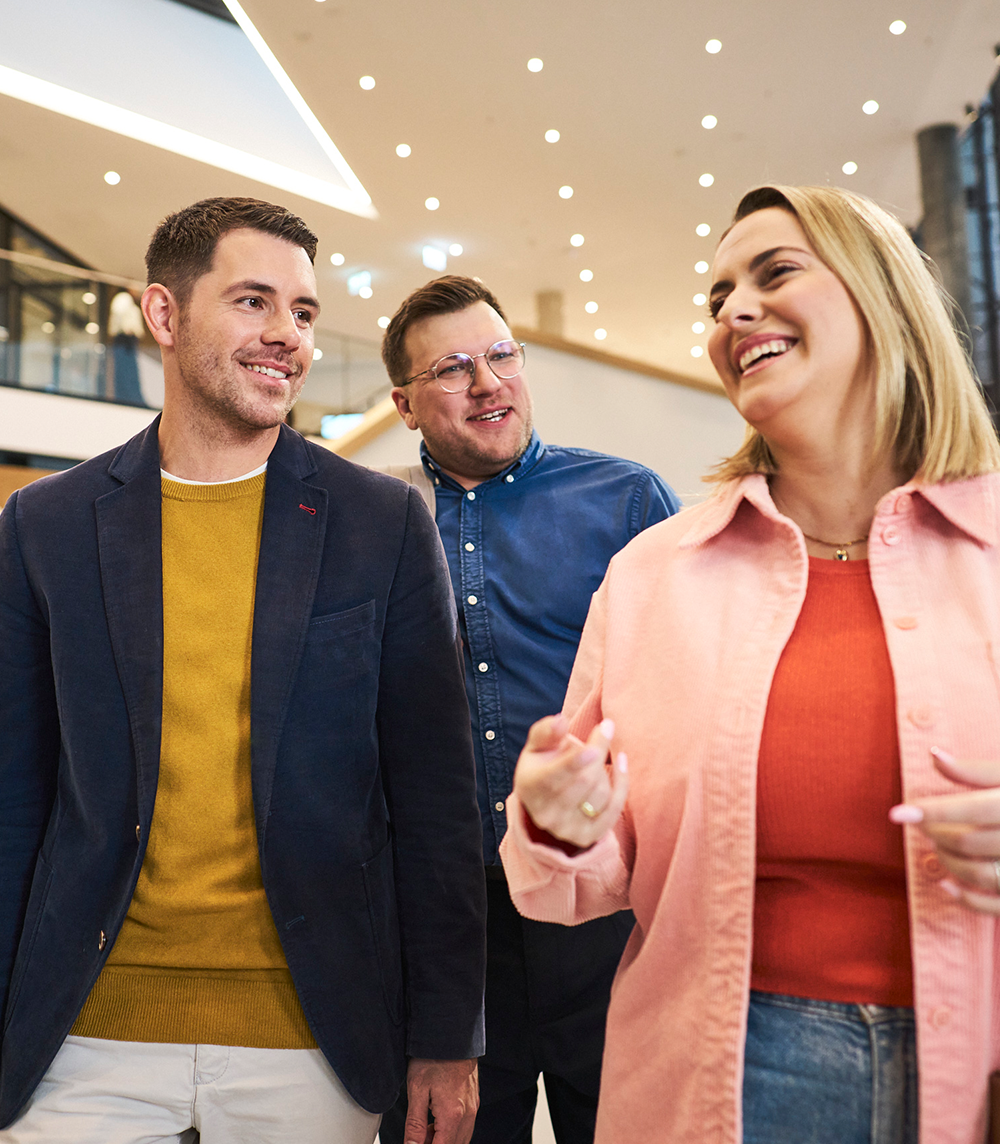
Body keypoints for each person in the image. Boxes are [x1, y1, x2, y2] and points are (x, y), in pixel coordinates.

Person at [502, 185, 1000, 1144]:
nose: (733, 311)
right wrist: (558, 822)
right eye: (718, 295)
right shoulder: (655, 574)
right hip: (726, 1079)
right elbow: (579, 881)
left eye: (775, 273)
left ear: (883, 297)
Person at [0, 197, 486, 1144]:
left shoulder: (381, 523)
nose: (288, 338)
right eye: (254, 302)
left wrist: (446, 1036)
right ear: (165, 315)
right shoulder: (44, 526)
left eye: (304, 312)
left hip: (314, 1035)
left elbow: (434, 798)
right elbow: (15, 795)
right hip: (85, 1032)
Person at [375, 275, 680, 1144]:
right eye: (454, 368)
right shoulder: (379, 522)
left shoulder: (627, 501)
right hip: (450, 918)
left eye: (502, 355)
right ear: (403, 402)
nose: (489, 382)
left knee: (622, 1123)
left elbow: (678, 693)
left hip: (602, 899)